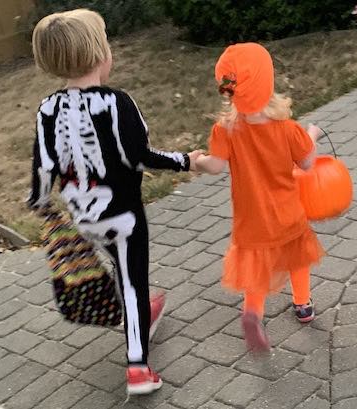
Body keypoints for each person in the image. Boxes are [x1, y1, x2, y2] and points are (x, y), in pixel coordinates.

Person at [27, 9, 200, 395]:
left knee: (120, 271)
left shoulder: (47, 110)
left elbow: (44, 167)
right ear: (101, 53)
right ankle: (138, 366)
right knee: (133, 279)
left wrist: (38, 202)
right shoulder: (116, 102)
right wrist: (187, 160)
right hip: (123, 216)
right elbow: (139, 155)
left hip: (82, 218)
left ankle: (141, 317)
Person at [193, 43, 324, 352]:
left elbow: (214, 166)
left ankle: (253, 313)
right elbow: (307, 163)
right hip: (288, 213)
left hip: (251, 219)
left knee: (256, 268)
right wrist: (312, 135)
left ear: (228, 87)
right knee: (298, 257)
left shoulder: (225, 130)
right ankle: (303, 305)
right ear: (268, 82)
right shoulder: (288, 129)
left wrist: (196, 161)